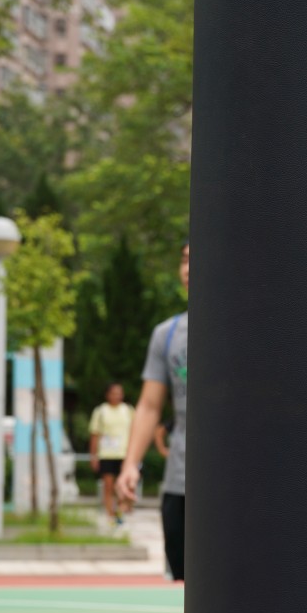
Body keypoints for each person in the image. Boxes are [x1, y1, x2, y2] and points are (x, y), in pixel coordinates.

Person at [116, 243, 188, 581]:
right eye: (184, 259)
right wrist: (130, 464)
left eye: (198, 259)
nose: (188, 268)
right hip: (180, 480)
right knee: (183, 582)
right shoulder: (167, 334)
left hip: (235, 484)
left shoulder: (246, 328)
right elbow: (149, 405)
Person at [88, 383, 133, 527]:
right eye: (114, 393)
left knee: (124, 486)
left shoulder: (128, 410)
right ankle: (110, 516)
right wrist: (93, 456)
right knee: (108, 486)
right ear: (107, 395)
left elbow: (135, 432)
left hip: (124, 454)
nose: (117, 396)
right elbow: (95, 434)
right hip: (107, 453)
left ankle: (120, 512)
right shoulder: (101, 411)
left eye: (119, 393)